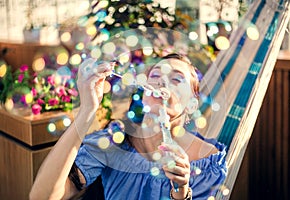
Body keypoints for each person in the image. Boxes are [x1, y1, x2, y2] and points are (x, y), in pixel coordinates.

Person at [30, 53, 227, 200]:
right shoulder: (113, 142)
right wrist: (87, 111)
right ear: (143, 94)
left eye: (176, 78)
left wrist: (181, 192)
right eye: (155, 75)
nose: (162, 81)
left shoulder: (208, 162)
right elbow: (42, 196)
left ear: (192, 104)